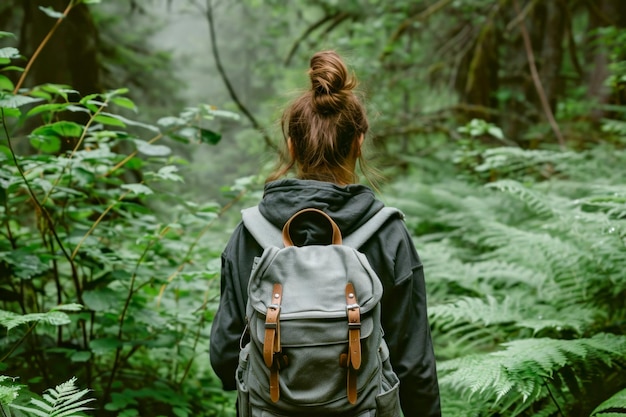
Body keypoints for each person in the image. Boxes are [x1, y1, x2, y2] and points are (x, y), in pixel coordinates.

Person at [209, 50, 441, 417]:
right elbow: (413, 366)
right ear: (359, 142)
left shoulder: (249, 233)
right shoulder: (388, 234)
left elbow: (224, 358)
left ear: (291, 146)